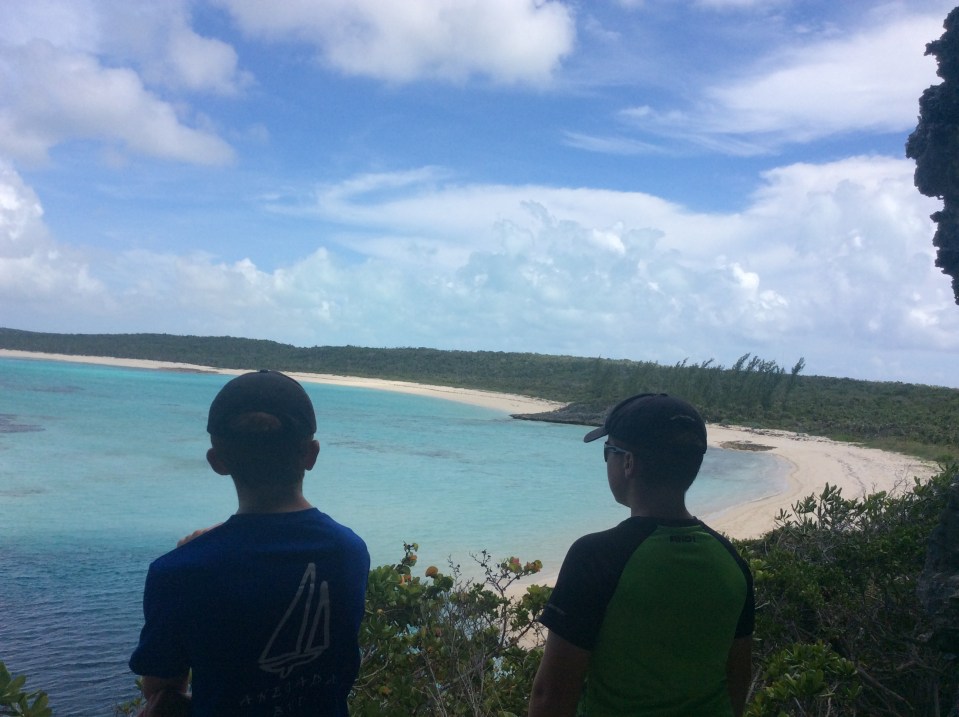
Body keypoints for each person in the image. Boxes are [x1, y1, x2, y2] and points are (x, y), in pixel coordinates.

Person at [129, 370, 370, 717]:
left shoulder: (178, 573)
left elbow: (162, 696)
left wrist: (206, 548)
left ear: (217, 462)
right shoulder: (350, 552)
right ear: (311, 455)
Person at [528, 393, 753, 717]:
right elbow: (737, 682)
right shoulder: (731, 563)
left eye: (608, 453)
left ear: (628, 463)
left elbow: (550, 695)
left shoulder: (595, 557)